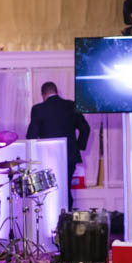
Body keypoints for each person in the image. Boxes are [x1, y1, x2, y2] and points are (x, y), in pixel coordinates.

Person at [26, 81, 90, 211]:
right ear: (56, 91)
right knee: (66, 188)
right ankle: (67, 220)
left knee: (50, 190)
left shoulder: (39, 109)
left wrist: (37, 152)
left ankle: (52, 221)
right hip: (69, 156)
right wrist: (78, 147)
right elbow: (85, 129)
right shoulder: (71, 106)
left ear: (43, 95)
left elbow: (31, 136)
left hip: (48, 157)